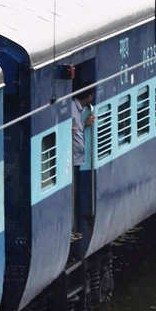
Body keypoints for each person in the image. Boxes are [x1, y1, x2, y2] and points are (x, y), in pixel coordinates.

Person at [71, 85, 95, 239]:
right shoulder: (72, 108)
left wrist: (86, 124)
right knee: (71, 196)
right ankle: (71, 229)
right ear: (89, 96)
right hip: (71, 158)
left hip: (76, 157)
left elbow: (77, 129)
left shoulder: (78, 110)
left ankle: (73, 228)